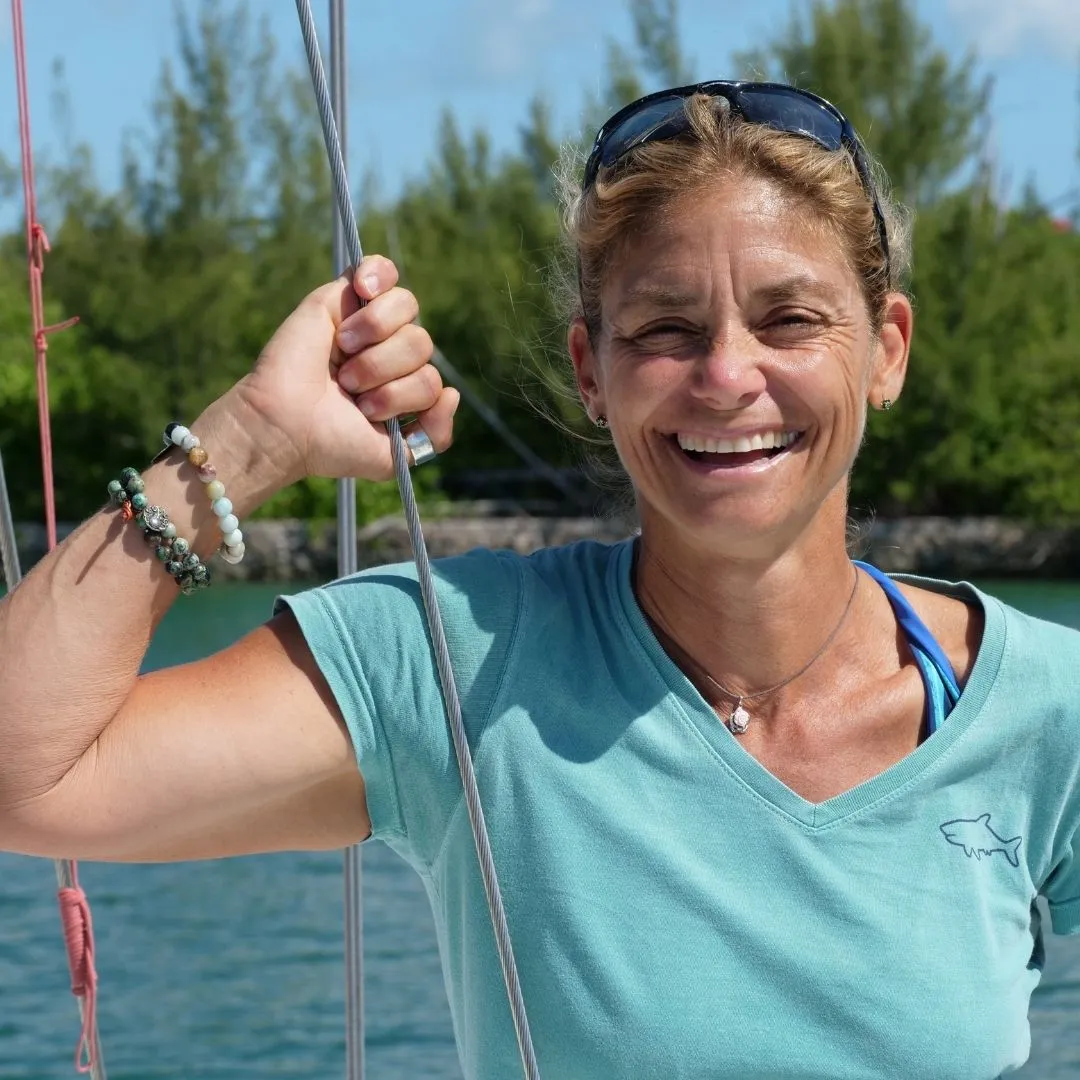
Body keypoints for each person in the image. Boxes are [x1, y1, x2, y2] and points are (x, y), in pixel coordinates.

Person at [1, 80, 1077, 1080]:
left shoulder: (1043, 707)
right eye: (666, 329)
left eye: (789, 319)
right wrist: (250, 438)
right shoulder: (458, 661)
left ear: (886, 351)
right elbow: (23, 777)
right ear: (589, 371)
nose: (727, 376)